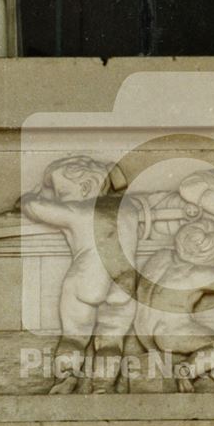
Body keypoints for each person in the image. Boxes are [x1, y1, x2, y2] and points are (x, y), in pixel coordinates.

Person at [20, 156, 139, 394]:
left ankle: (66, 379)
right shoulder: (129, 208)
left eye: (62, 193)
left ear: (84, 188)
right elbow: (120, 184)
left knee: (74, 337)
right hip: (125, 283)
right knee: (112, 340)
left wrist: (31, 196)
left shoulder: (77, 210)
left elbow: (33, 208)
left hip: (88, 277)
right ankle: (104, 386)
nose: (59, 199)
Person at [134, 218, 214, 392]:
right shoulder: (199, 274)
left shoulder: (159, 258)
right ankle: (185, 371)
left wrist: (150, 346)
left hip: (148, 330)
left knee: (208, 351)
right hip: (173, 332)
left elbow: (142, 296)